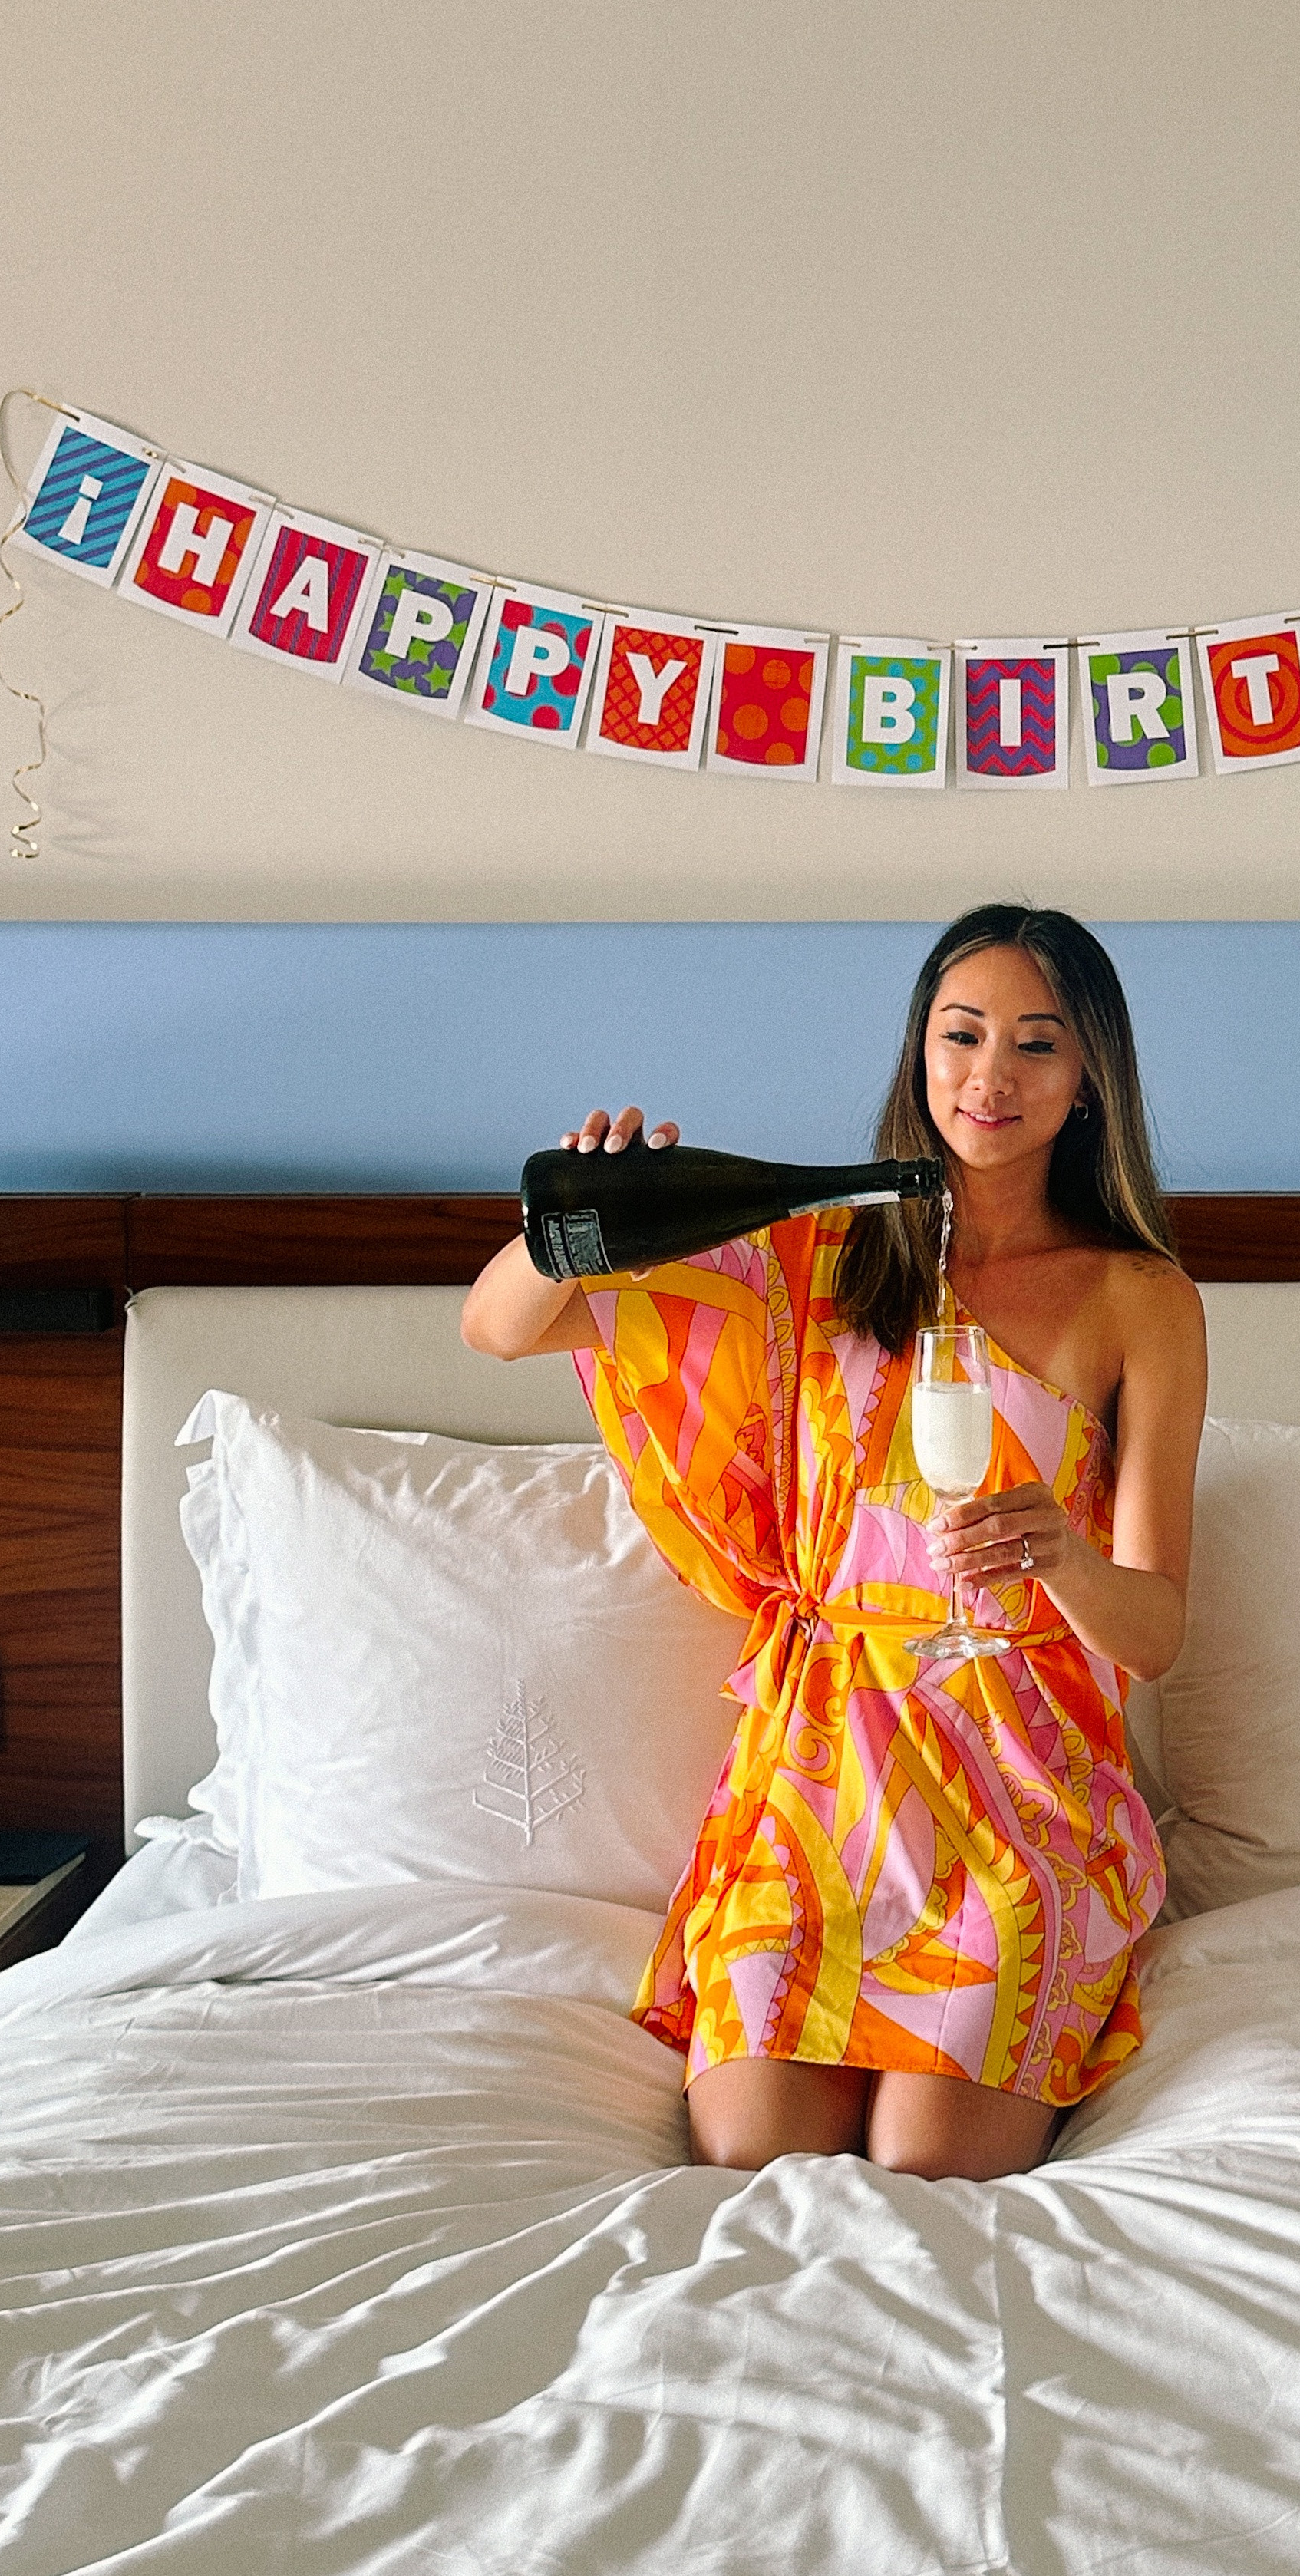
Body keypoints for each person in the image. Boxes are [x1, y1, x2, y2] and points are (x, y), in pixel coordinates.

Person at [460, 902, 1206, 2180]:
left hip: (1018, 1773)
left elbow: (1157, 1634)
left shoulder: (1138, 1297)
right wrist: (585, 1214)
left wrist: (1065, 1561)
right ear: (918, 1055)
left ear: (1088, 1083)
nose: (991, 1074)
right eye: (960, 1034)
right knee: (754, 2151)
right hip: (815, 1771)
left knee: (926, 2163)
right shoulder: (811, 1254)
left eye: (1038, 1044)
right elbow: (501, 1327)